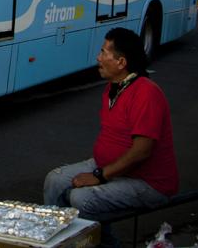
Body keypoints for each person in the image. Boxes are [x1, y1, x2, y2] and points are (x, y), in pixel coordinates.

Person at [43, 28, 178, 231]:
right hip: (110, 168)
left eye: (104, 53)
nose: (98, 58)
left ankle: (102, 243)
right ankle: (57, 238)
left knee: (81, 198)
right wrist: (101, 171)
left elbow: (142, 150)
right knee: (55, 180)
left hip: (146, 182)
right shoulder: (112, 89)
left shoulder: (146, 93)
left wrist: (101, 176)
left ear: (121, 62)